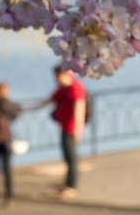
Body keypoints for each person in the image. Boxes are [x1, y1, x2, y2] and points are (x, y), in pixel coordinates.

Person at [43, 66, 86, 198]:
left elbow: (80, 109)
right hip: (63, 127)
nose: (56, 79)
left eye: (58, 76)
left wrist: (78, 130)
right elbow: (48, 100)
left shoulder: (76, 87)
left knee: (72, 158)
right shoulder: (62, 89)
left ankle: (72, 186)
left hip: (71, 129)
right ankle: (67, 182)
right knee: (67, 157)